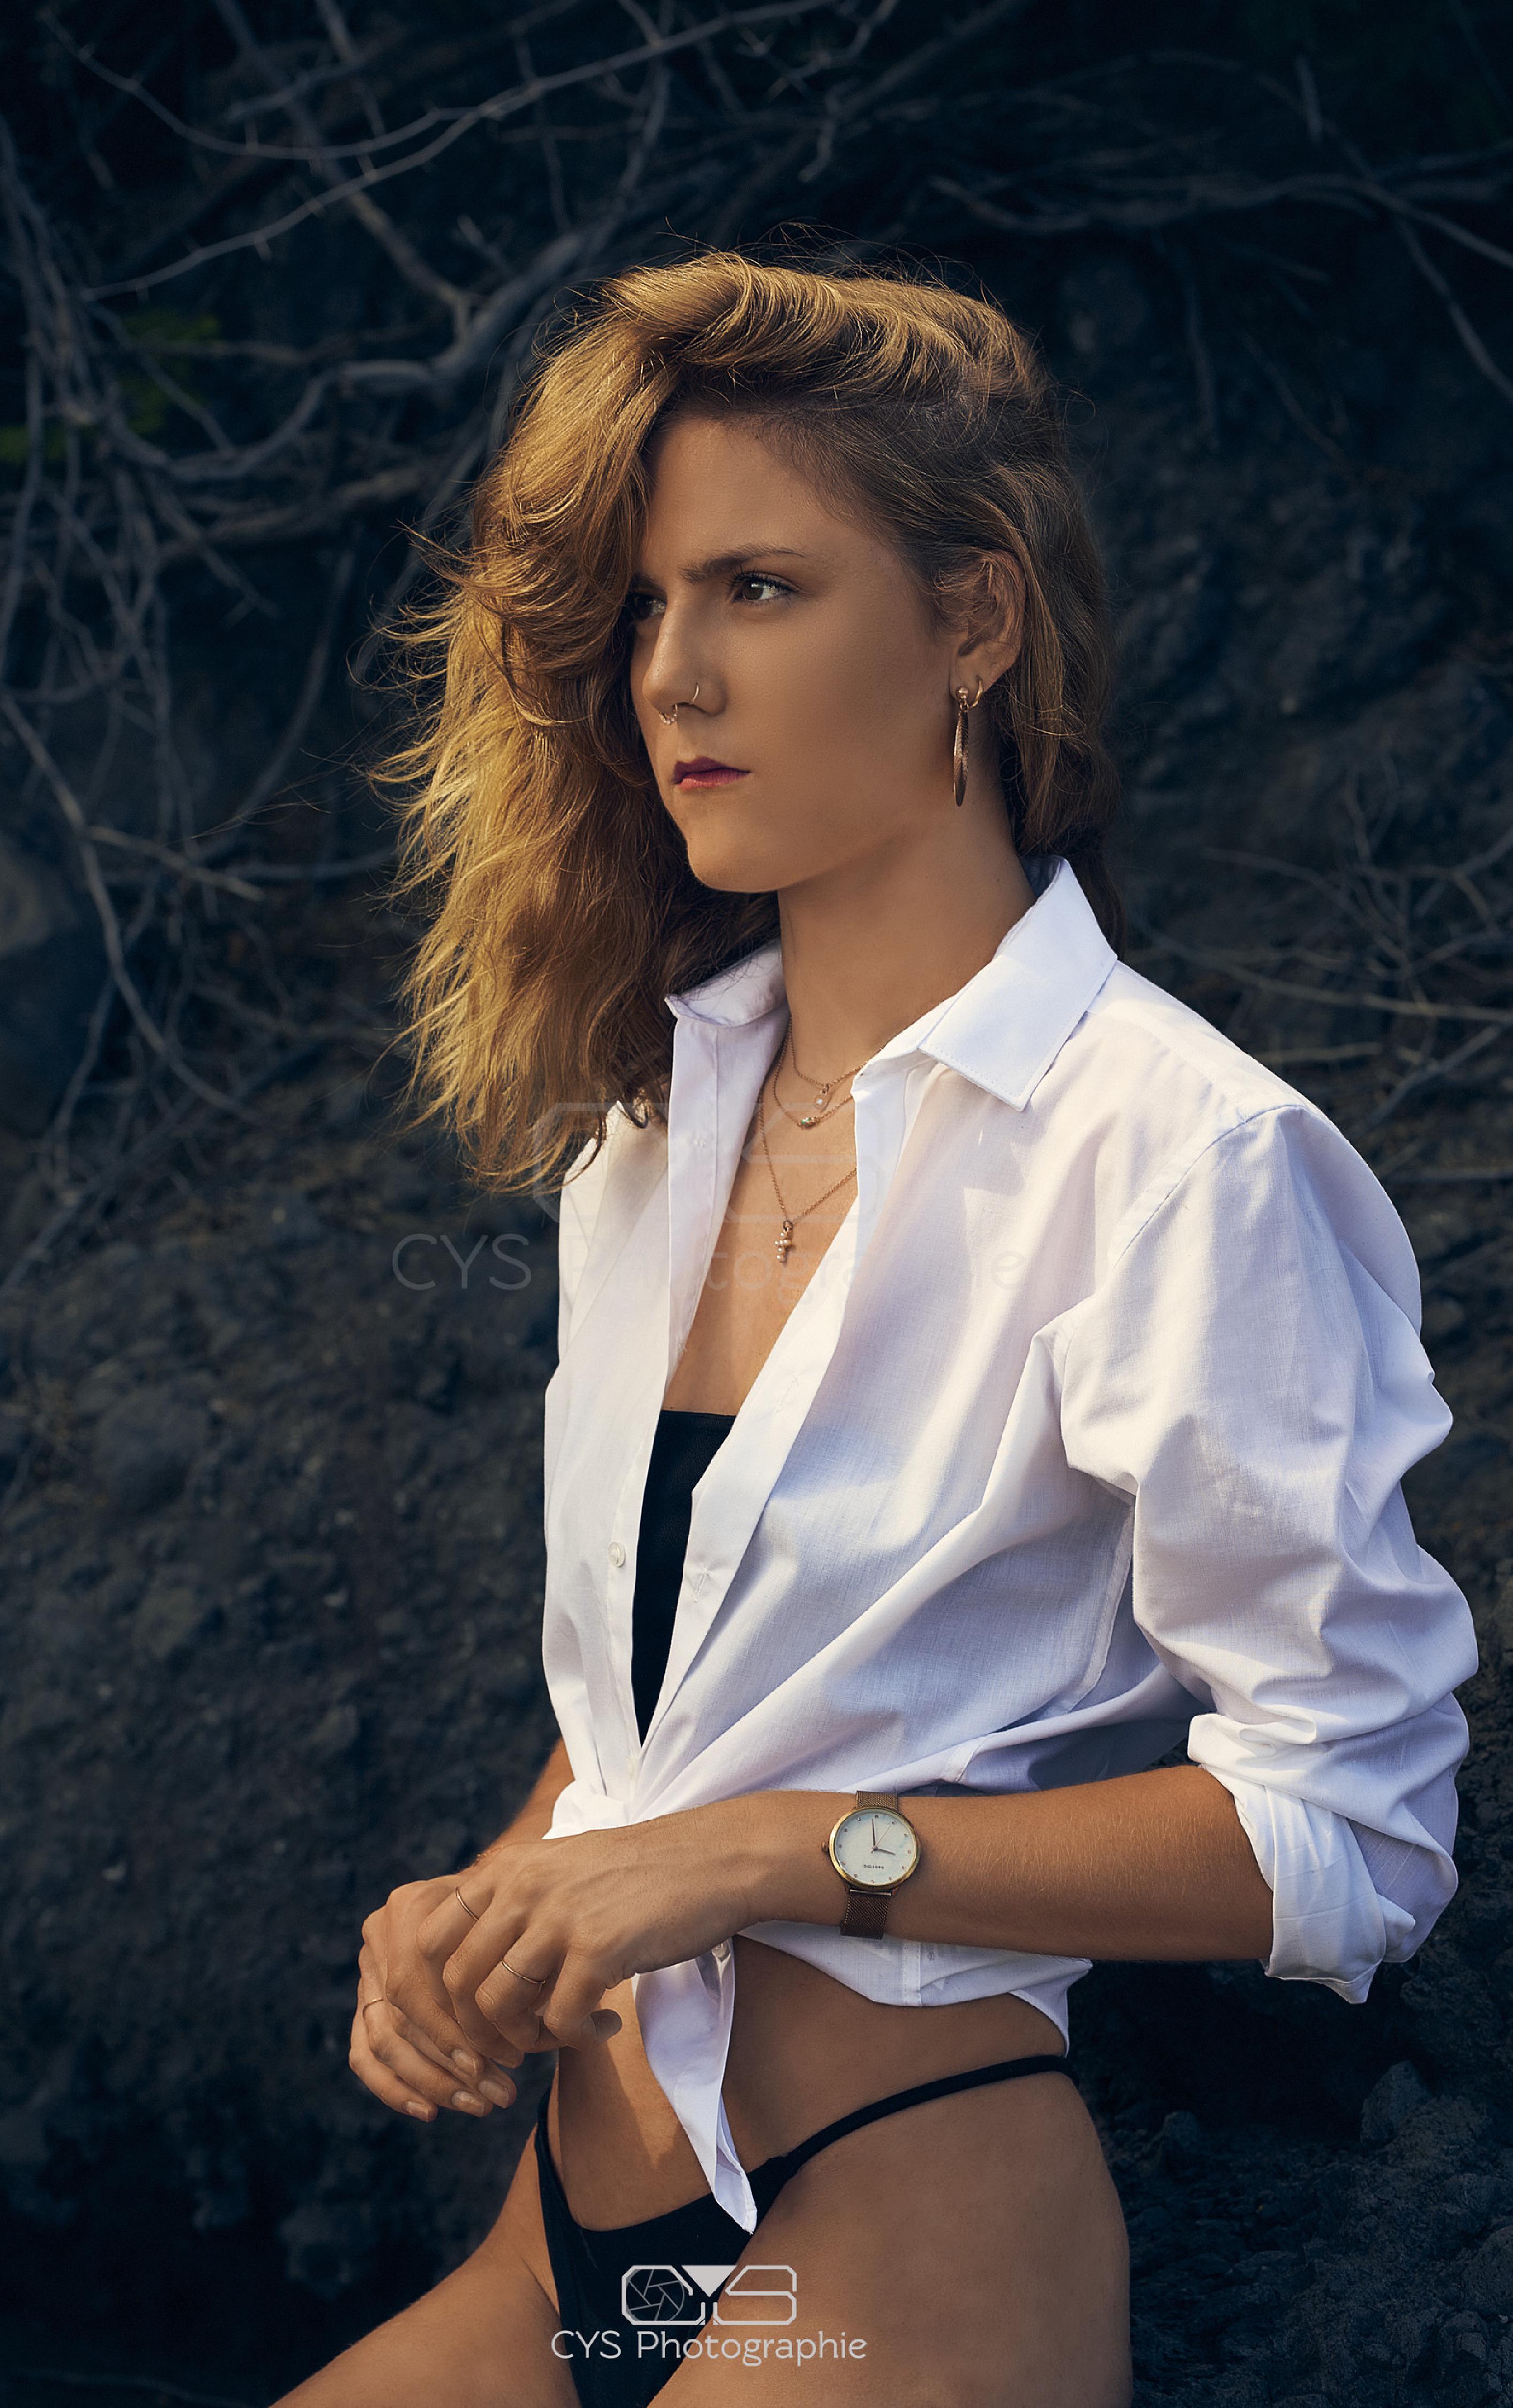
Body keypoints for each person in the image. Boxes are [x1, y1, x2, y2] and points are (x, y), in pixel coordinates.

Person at [277, 252, 1476, 2407]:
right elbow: (681, 1705)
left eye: (758, 589)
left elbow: (1357, 1831)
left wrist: (767, 1852)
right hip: (569, 2244)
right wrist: (504, 1896)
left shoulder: (1179, 1156)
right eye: (647, 606)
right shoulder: (650, 1132)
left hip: (900, 2218)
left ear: (973, 621)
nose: (674, 674)